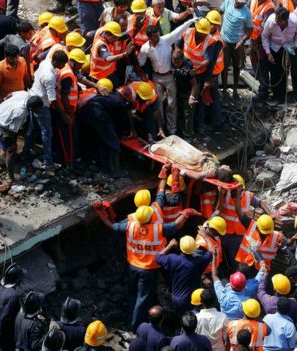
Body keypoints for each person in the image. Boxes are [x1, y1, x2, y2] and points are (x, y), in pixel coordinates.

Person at [95, 202, 198, 330]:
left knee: (133, 294)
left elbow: (112, 225)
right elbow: (176, 225)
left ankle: (130, 320)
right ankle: (135, 326)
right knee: (143, 299)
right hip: (148, 270)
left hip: (133, 267)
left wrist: (102, 213)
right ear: (150, 218)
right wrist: (185, 213)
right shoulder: (157, 229)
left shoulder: (130, 226)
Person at [138, 18, 196, 135]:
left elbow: (178, 31)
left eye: (158, 35)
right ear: (149, 38)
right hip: (156, 78)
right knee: (158, 104)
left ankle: (172, 130)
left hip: (169, 77)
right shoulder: (144, 49)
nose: (158, 38)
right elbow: (140, 63)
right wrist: (142, 75)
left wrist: (190, 21)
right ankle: (161, 128)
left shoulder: (165, 40)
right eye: (155, 36)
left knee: (171, 104)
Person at [23, 51, 69, 169]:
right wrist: (62, 114)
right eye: (62, 64)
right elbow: (52, 99)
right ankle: (48, 162)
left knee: (32, 129)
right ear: (56, 62)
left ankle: (25, 153)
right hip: (41, 105)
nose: (63, 67)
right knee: (47, 133)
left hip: (33, 97)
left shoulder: (45, 63)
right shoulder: (50, 76)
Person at [177, 18, 222, 137]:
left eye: (204, 34)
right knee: (182, 98)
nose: (202, 36)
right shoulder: (187, 33)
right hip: (184, 72)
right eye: (200, 34)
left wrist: (196, 71)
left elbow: (208, 61)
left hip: (199, 74)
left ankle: (199, 126)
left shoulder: (210, 41)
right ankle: (181, 125)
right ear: (196, 30)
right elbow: (177, 47)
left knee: (199, 101)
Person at [75, 78, 128, 176]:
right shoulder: (120, 103)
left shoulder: (97, 95)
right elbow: (121, 122)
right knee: (114, 143)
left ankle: (102, 167)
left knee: (101, 140)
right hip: (96, 113)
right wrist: (119, 136)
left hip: (83, 115)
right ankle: (115, 171)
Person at [0, 92, 43, 184]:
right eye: (37, 110)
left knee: (12, 144)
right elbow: (12, 131)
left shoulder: (25, 94)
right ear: (31, 109)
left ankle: (7, 153)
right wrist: (12, 145)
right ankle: (11, 177)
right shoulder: (21, 112)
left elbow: (10, 94)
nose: (39, 111)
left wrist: (6, 105)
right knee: (11, 149)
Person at [256, 7, 297, 103]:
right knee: (275, 72)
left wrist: (295, 45)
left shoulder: (294, 21)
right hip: (275, 46)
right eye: (276, 19)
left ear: (285, 20)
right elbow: (264, 37)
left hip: (289, 46)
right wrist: (268, 53)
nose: (276, 21)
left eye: (279, 20)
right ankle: (277, 96)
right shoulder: (271, 20)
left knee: (294, 70)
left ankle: (296, 95)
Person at [157, 235, 212, 312]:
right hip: (192, 300)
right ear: (194, 247)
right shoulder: (199, 261)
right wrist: (205, 236)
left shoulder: (173, 259)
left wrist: (169, 246)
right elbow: (211, 251)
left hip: (175, 297)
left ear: (181, 248)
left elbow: (158, 257)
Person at [219, 0, 252, 99]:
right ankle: (224, 90)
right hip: (225, 41)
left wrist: (242, 41)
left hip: (237, 43)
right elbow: (219, 12)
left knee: (237, 67)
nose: (239, 4)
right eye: (238, 2)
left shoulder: (246, 12)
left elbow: (250, 28)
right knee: (224, 67)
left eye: (241, 3)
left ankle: (235, 90)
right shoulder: (228, 2)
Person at [0, 263, 24, 351]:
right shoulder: (13, 296)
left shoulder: (0, 289)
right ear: (17, 280)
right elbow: (4, 319)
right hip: (4, 332)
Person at [91, 21, 133, 86]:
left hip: (110, 73)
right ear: (107, 35)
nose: (116, 40)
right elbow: (108, 58)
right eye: (115, 37)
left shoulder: (109, 40)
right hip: (100, 77)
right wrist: (124, 54)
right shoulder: (101, 45)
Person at [172, 49, 195, 138]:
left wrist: (192, 97)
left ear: (182, 60)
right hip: (177, 89)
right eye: (174, 62)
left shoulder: (188, 67)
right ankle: (180, 131)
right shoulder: (171, 62)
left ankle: (188, 134)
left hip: (188, 91)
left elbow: (195, 84)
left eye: (178, 63)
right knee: (179, 111)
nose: (176, 65)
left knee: (188, 114)